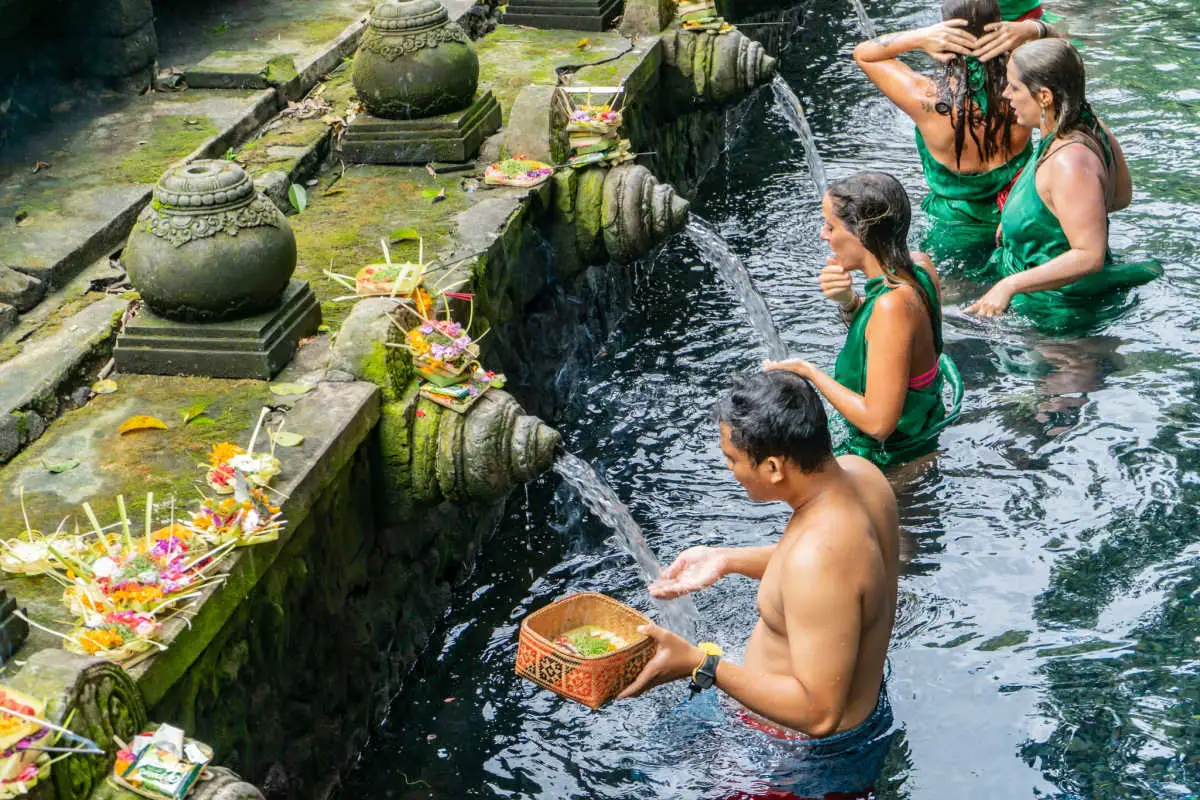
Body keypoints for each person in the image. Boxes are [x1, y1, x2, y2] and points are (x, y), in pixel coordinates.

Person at [619, 370, 899, 798]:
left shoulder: (819, 559)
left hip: (803, 762)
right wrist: (727, 559)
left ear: (772, 467)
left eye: (732, 459)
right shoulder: (862, 479)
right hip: (848, 727)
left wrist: (701, 664)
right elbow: (846, 573)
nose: (730, 471)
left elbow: (819, 713)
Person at [766, 172, 961, 467]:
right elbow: (891, 342)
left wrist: (809, 374)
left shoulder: (891, 306)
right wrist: (848, 301)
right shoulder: (920, 267)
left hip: (894, 461)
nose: (823, 235)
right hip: (925, 430)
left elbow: (879, 423)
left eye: (831, 226)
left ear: (861, 232)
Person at [966, 39, 1161, 329]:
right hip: (1042, 288)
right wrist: (1027, 220)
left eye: (1014, 87)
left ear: (1044, 96)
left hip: (1058, 312)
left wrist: (1010, 285)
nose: (1006, 95)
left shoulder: (1069, 162)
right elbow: (1120, 197)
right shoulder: (1090, 127)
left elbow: (1089, 255)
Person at [852, 0, 1042, 248]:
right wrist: (1033, 29)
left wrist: (919, 37)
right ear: (1001, 28)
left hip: (950, 233)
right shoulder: (1023, 90)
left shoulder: (925, 98)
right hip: (1017, 221)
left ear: (942, 33)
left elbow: (864, 54)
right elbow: (1063, 52)